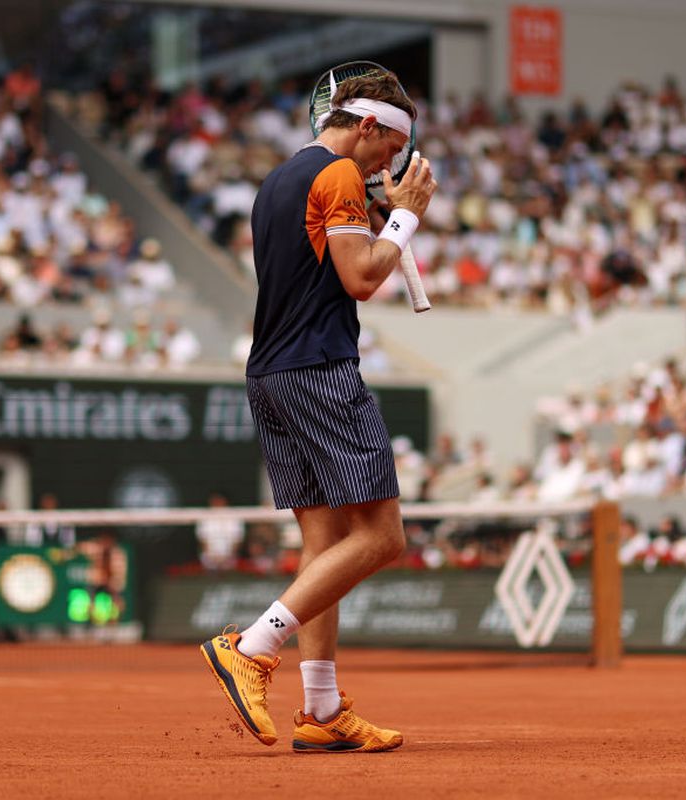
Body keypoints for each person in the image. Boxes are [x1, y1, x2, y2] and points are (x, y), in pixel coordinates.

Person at [198, 68, 436, 754]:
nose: (392, 160)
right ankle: (250, 646)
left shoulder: (279, 181)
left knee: (326, 545)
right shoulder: (335, 179)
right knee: (384, 536)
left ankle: (322, 707)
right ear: (365, 125)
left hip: (270, 374)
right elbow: (360, 278)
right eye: (391, 144)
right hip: (319, 372)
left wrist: (387, 212)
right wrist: (407, 215)